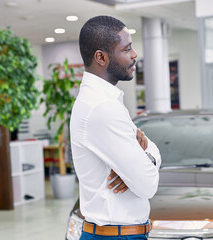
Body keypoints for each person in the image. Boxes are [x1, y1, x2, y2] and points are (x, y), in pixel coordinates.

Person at [71, 15, 161, 240]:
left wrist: (143, 160)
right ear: (101, 57)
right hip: (115, 235)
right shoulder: (103, 108)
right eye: (126, 49)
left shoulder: (103, 102)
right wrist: (140, 166)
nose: (134, 55)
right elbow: (147, 185)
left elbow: (152, 151)